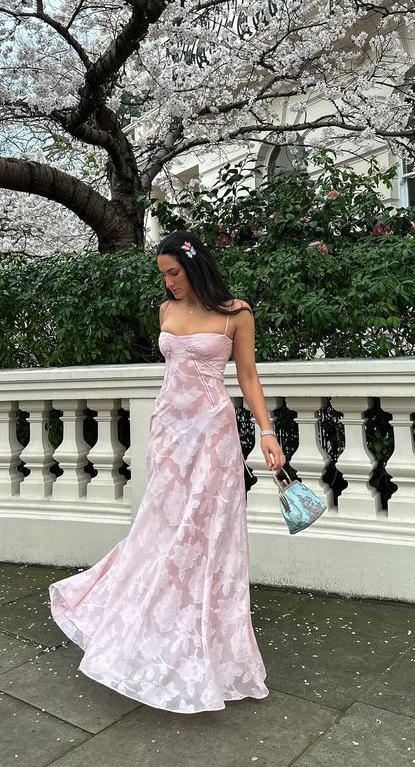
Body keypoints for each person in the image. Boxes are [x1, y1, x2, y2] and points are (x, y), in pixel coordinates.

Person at [49, 229, 286, 714]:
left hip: (212, 434)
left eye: (174, 273)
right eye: (164, 275)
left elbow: (247, 376)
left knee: (207, 533)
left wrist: (266, 431)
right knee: (161, 528)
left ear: (194, 267)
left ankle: (205, 641)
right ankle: (153, 622)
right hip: (169, 431)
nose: (169, 283)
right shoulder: (165, 312)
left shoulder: (236, 314)